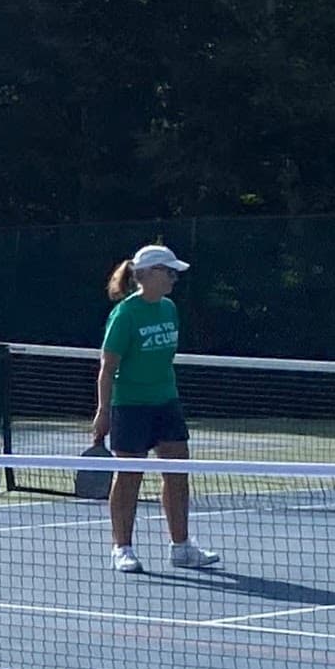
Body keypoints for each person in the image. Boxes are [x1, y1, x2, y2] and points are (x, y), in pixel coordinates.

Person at [93, 243, 218, 575]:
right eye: (169, 272)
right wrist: (103, 411)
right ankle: (122, 549)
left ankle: (181, 547)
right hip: (130, 406)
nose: (174, 279)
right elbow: (107, 367)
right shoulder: (125, 314)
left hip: (166, 401)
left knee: (177, 473)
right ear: (147, 275)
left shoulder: (169, 309)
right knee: (129, 476)